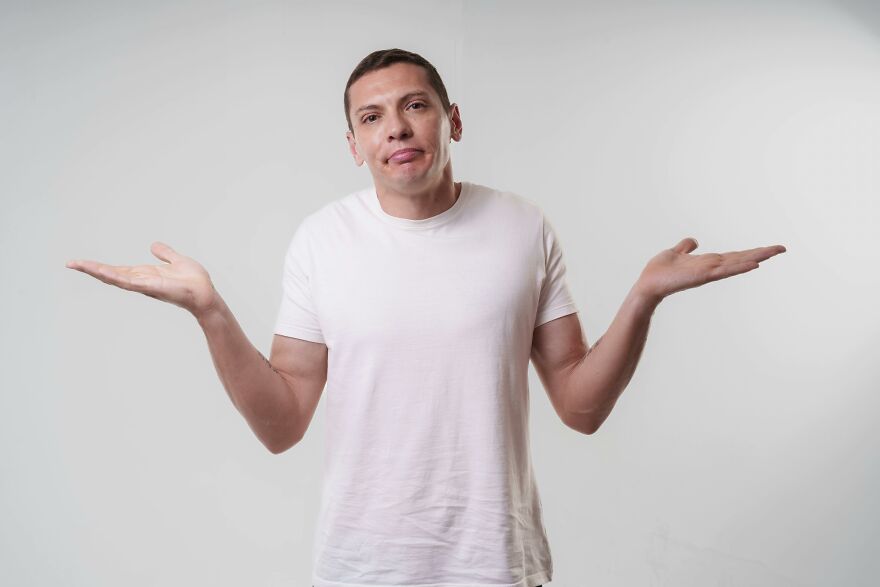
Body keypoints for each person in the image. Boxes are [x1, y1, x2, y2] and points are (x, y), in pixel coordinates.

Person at [66, 48, 786, 587]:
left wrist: (644, 297)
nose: (396, 128)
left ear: (452, 120)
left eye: (415, 105)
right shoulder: (321, 240)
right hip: (363, 566)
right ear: (354, 145)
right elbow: (282, 423)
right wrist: (211, 312)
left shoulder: (522, 227)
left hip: (498, 564)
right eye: (371, 117)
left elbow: (579, 404)